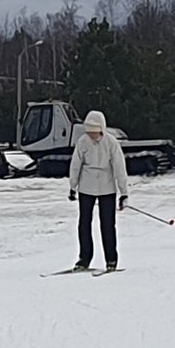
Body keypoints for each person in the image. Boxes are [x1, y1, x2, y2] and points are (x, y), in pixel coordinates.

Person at [68, 109, 128, 270]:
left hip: (107, 188)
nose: (92, 136)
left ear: (102, 129)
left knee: (107, 225)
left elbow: (119, 168)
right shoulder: (82, 142)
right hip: (86, 188)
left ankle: (111, 259)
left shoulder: (111, 143)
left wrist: (124, 193)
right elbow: (75, 165)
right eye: (89, 132)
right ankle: (84, 258)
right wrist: (72, 187)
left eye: (95, 132)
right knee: (84, 224)